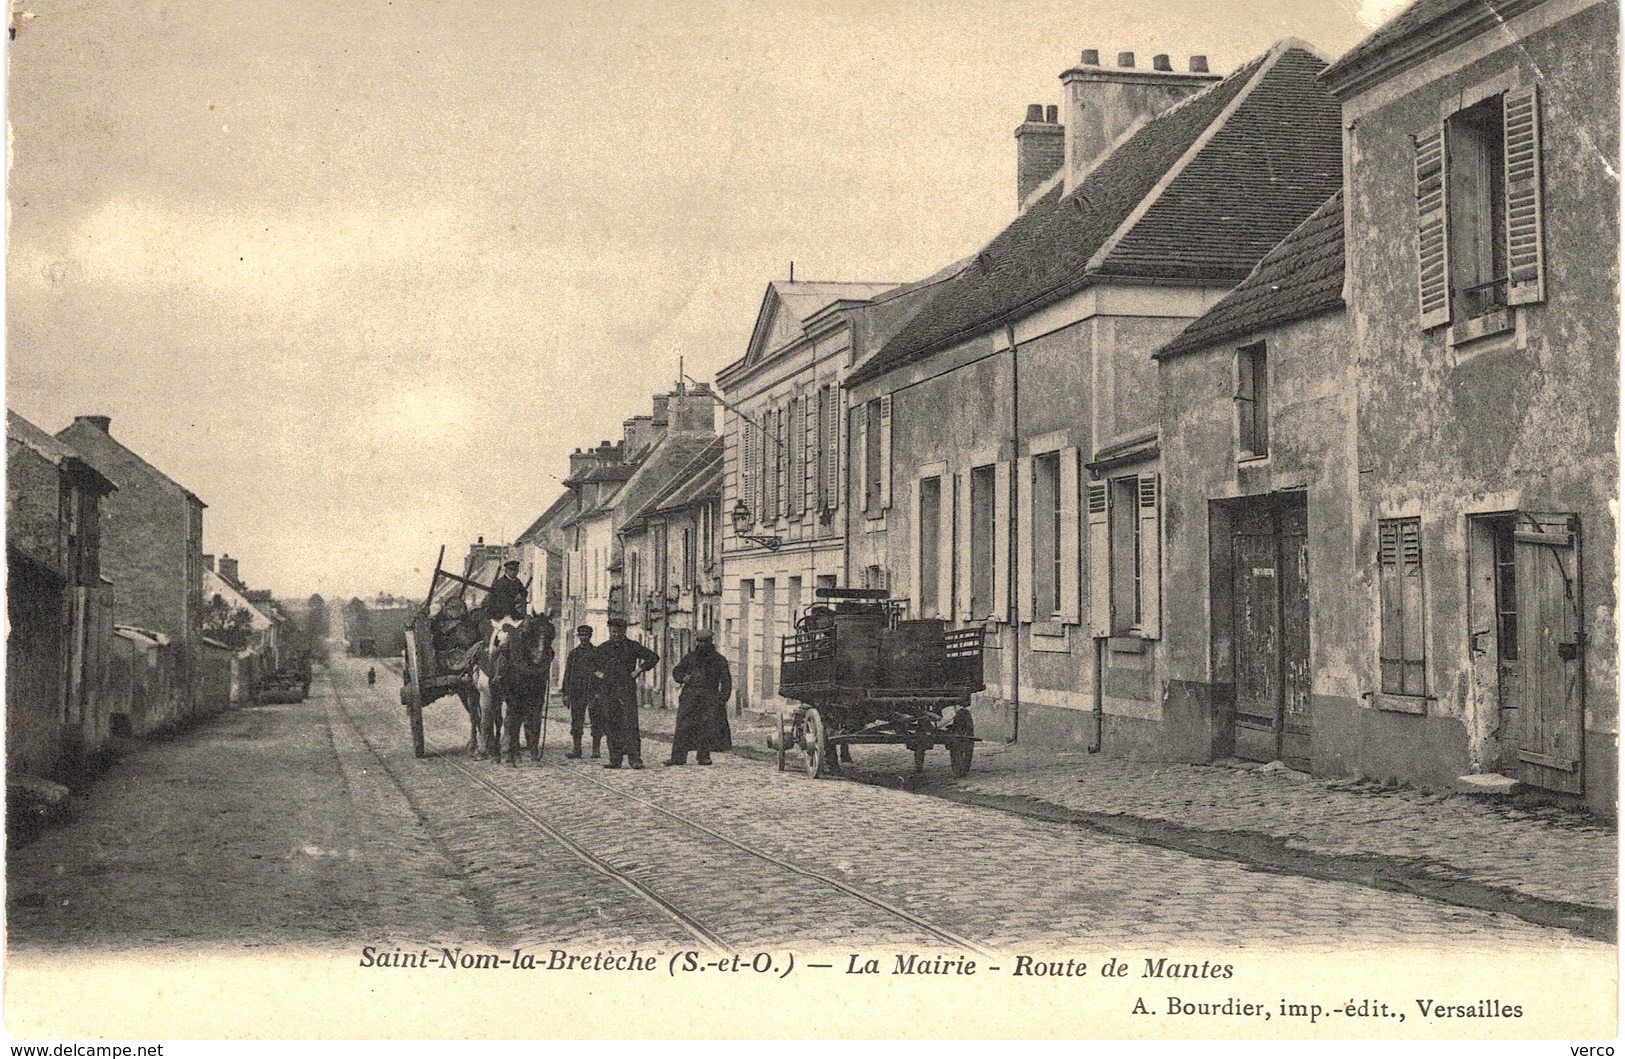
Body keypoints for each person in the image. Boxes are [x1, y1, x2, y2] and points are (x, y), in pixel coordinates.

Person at [593, 616, 658, 770]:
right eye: (613, 631)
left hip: (626, 689)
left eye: (618, 631)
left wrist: (639, 670)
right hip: (608, 690)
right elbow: (590, 663)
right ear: (610, 631)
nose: (616, 634)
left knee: (630, 724)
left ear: (624, 631)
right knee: (611, 724)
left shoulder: (632, 646)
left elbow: (653, 657)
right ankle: (615, 759)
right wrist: (599, 674)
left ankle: (635, 759)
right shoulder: (604, 648)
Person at [666, 629, 732, 766]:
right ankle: (678, 757)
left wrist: (722, 699)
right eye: (699, 642)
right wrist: (683, 678)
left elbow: (726, 681)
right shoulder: (690, 657)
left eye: (705, 642)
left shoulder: (719, 660)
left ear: (711, 641)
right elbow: (677, 671)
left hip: (709, 696)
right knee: (683, 726)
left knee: (706, 727)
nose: (702, 645)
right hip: (690, 696)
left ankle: (703, 756)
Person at [501, 615, 553, 765]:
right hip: (517, 683)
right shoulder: (520, 636)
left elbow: (545, 651)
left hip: (536, 681)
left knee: (535, 716)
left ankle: (534, 751)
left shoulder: (544, 645)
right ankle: (512, 750)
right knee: (514, 715)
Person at [561, 626, 600, 759]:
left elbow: (601, 673)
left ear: (590, 636)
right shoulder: (574, 654)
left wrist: (599, 692)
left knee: (596, 720)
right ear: (578, 636)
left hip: (593, 691)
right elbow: (568, 674)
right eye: (581, 635)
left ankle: (596, 749)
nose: (584, 638)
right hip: (577, 692)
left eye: (586, 635)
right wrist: (566, 693)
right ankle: (577, 749)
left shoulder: (597, 652)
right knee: (577, 721)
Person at [431, 595, 484, 673]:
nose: (457, 610)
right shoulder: (437, 623)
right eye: (453, 607)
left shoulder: (467, 622)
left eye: (459, 607)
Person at [485, 559, 528, 624]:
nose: (513, 572)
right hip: (500, 614)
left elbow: (524, 593)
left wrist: (520, 596)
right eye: (511, 569)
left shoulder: (517, 582)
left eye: (515, 570)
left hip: (513, 613)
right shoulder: (500, 583)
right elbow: (500, 600)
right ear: (506, 570)